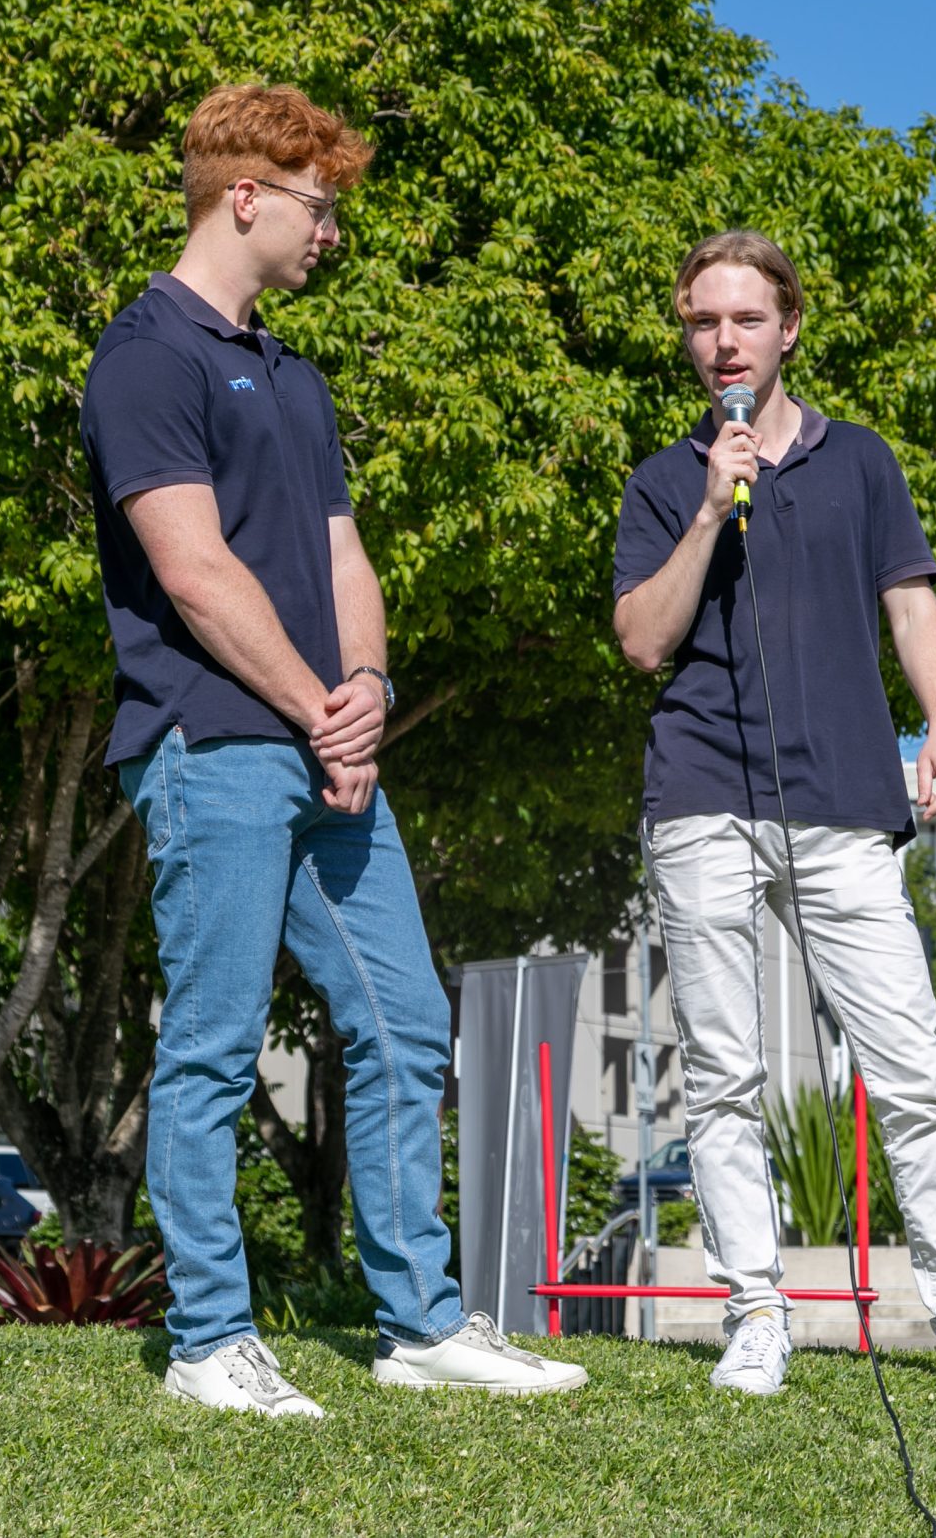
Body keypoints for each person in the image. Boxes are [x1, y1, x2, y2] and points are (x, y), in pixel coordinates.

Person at [80, 83, 584, 1418]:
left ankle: (418, 1323)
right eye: (319, 204)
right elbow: (192, 569)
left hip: (322, 747)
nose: (332, 232)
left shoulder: (293, 376)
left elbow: (341, 555)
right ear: (244, 194)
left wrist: (362, 689)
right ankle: (207, 1342)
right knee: (213, 1041)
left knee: (407, 1022)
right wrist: (318, 704)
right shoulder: (147, 356)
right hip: (218, 746)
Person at [610, 229, 936, 1403]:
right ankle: (755, 1317)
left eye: (743, 319)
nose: (722, 341)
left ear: (788, 329)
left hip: (843, 801)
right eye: (701, 323)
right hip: (702, 800)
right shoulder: (666, 479)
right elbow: (642, 640)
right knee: (722, 1078)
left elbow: (910, 600)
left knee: (911, 1069)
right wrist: (708, 509)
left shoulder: (861, 460)